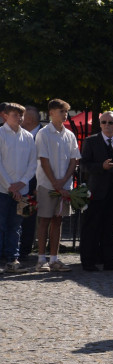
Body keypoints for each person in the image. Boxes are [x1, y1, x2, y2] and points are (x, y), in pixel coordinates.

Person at [79, 110, 113, 272]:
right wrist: (101, 167)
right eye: (104, 122)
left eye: (110, 122)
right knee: (92, 227)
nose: (107, 125)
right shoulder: (91, 141)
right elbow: (84, 165)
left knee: (112, 227)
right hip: (97, 191)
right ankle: (88, 261)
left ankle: (110, 260)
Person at [32, 99, 80, 272]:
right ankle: (41, 259)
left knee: (58, 221)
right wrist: (55, 182)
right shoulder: (44, 134)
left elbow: (74, 160)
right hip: (47, 184)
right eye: (61, 111)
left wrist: (64, 181)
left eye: (66, 111)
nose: (65, 114)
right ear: (51, 112)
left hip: (64, 185)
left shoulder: (70, 134)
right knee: (44, 220)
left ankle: (54, 258)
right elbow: (43, 160)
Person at [0, 103, 37, 273]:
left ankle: (12, 259)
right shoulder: (0, 134)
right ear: (5, 116)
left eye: (21, 115)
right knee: (1, 224)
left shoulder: (28, 137)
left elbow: (32, 164)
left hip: (22, 191)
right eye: (15, 115)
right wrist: (10, 186)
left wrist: (21, 183)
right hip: (2, 189)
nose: (20, 118)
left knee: (16, 226)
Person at [18, 105, 41, 260]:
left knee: (28, 219)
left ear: (29, 119)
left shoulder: (43, 134)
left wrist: (38, 185)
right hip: (16, 184)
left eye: (22, 116)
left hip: (35, 185)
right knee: (14, 218)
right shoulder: (17, 134)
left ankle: (24, 250)